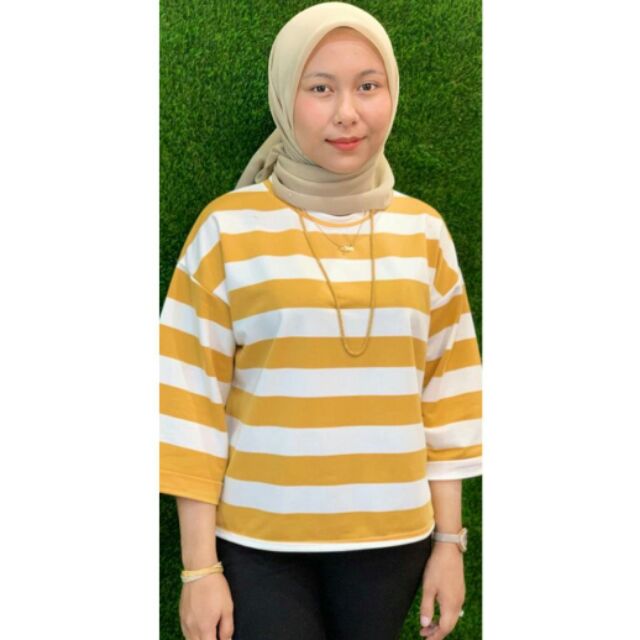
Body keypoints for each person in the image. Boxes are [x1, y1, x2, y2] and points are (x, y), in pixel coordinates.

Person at [159, 2, 482, 639]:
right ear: (286, 97)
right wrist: (199, 569)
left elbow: (447, 396)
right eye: (320, 88)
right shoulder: (227, 227)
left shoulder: (425, 232)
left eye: (368, 85)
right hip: (258, 543)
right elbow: (188, 402)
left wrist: (450, 542)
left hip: (394, 539)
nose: (347, 112)